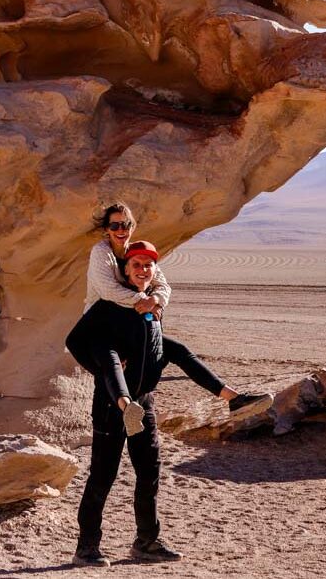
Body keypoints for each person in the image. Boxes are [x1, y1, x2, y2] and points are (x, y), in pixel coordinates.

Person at [67, 205, 272, 568]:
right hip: (113, 404)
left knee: (149, 473)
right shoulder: (106, 299)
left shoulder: (149, 311)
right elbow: (93, 348)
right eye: (137, 265)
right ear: (124, 269)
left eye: (149, 265)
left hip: (144, 403)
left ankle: (147, 542)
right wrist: (118, 392)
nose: (144, 269)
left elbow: (173, 342)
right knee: (103, 474)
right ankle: (87, 547)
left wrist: (155, 301)